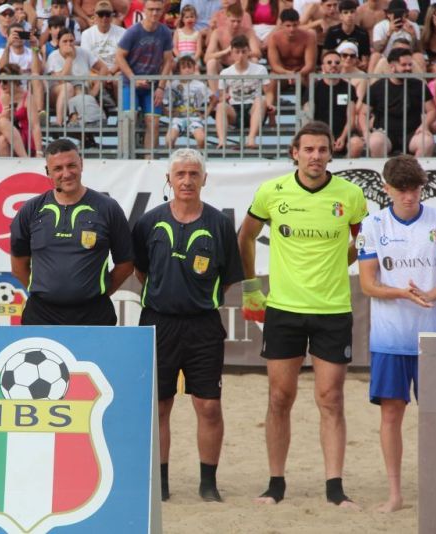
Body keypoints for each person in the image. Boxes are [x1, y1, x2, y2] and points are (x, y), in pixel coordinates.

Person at [237, 121, 367, 508]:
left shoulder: (351, 195)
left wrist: (338, 263)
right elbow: (244, 236)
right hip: (284, 309)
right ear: (295, 152)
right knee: (280, 397)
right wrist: (250, 288)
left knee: (331, 398)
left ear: (331, 152)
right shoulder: (271, 192)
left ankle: (334, 488)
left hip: (332, 309)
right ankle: (275, 484)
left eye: (322, 150)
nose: (315, 156)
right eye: (308, 149)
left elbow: (364, 240)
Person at [132, 148, 243, 503]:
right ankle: (160, 484)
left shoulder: (220, 224)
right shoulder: (149, 223)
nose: (186, 180)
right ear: (169, 179)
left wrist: (196, 298)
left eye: (194, 174)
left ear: (205, 179)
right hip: (158, 322)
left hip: (203, 326)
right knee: (160, 405)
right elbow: (141, 271)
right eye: (180, 174)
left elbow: (227, 280)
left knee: (208, 405)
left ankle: (208, 484)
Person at [357, 155, 436, 514]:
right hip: (390, 337)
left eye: (415, 189)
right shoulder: (372, 226)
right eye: (401, 190)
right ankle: (396, 494)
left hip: (435, 338)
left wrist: (430, 294)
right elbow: (368, 284)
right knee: (391, 414)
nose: (409, 196)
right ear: (386, 189)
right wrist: (402, 293)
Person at [10, 138, 133, 325]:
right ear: (48, 172)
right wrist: (46, 292)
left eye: (71, 165)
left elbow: (125, 263)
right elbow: (19, 264)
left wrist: (97, 293)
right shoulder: (31, 210)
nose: (66, 174)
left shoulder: (108, 208)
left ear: (81, 164)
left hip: (94, 314)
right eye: (58, 168)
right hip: (41, 315)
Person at [115, 0, 173, 158]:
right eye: (151, 9)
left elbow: (168, 60)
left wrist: (161, 87)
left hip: (152, 85)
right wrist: (133, 78)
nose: (154, 13)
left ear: (162, 11)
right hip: (130, 83)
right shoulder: (133, 31)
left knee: (153, 122)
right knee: (128, 119)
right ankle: (126, 158)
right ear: (144, 10)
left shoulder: (165, 32)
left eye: (158, 10)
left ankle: (148, 159)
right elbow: (119, 56)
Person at [366, 48, 436, 157]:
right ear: (392, 67)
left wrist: (424, 126)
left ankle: (418, 173)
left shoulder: (419, 85)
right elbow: (362, 113)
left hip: (413, 133)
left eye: (410, 64)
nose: (408, 68)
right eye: (403, 65)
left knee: (427, 142)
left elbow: (432, 110)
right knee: (375, 142)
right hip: (384, 133)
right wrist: (366, 132)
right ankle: (381, 173)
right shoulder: (377, 87)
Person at [215, 34, 273, 150]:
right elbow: (221, 95)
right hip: (235, 109)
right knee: (221, 106)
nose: (241, 55)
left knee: (261, 99)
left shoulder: (260, 69)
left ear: (248, 52)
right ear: (231, 53)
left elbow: (268, 92)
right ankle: (222, 141)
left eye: (243, 51)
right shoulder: (225, 73)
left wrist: (270, 104)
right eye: (237, 52)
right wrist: (223, 97)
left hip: (254, 108)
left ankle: (251, 139)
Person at [309, 49, 363, 157]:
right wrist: (324, 138)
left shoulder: (349, 88)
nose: (333, 65)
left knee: (356, 144)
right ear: (323, 66)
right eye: (329, 62)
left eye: (337, 63)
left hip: (343, 134)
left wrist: (342, 138)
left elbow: (351, 118)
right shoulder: (314, 88)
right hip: (319, 134)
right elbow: (308, 116)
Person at [0, 63, 42, 156]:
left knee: (2, 141)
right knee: (3, 121)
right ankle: (25, 159)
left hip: (20, 134)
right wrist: (2, 115)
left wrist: (39, 152)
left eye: (5, 81)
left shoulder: (27, 97)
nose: (1, 84)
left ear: (15, 80)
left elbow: (35, 126)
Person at [267, 9, 318, 104]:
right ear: (281, 25)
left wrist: (298, 74)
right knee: (272, 81)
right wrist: (287, 73)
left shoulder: (308, 37)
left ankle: (308, 113)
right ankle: (271, 112)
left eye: (295, 25)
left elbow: (310, 64)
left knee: (314, 83)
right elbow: (274, 65)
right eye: (288, 26)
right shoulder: (274, 38)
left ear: (298, 23)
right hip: (282, 73)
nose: (292, 29)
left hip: (303, 73)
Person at [165, 54, 211, 149]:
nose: (187, 70)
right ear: (179, 70)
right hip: (178, 119)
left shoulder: (200, 85)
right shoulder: (173, 85)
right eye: (184, 67)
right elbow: (162, 100)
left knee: (201, 139)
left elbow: (214, 99)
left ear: (194, 69)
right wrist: (168, 113)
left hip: (194, 118)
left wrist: (205, 114)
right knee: (169, 140)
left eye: (190, 67)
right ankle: (173, 159)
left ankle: (200, 158)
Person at [323, 0, 371, 71]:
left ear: (356, 14)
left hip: (355, 68)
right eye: (345, 12)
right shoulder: (333, 31)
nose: (349, 15)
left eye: (352, 12)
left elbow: (365, 58)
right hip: (336, 68)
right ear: (340, 16)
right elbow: (325, 55)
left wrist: (363, 63)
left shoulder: (363, 33)